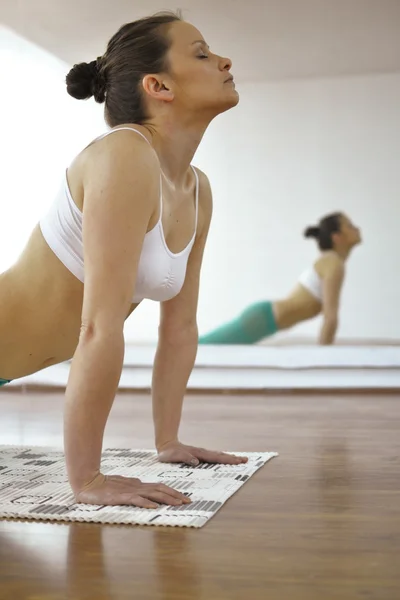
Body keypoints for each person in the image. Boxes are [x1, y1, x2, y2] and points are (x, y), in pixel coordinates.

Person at [0, 12, 248, 509]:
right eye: (200, 54)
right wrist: (88, 481)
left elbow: (179, 327)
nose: (224, 60)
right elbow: (96, 329)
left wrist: (168, 442)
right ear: (158, 85)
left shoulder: (197, 188)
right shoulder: (123, 154)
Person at [198, 212, 361, 346]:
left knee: (202, 348)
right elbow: (330, 317)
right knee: (201, 348)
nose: (357, 229)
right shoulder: (333, 263)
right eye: (350, 226)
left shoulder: (330, 261)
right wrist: (323, 360)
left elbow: (329, 318)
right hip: (262, 319)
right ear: (337, 237)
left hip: (264, 318)